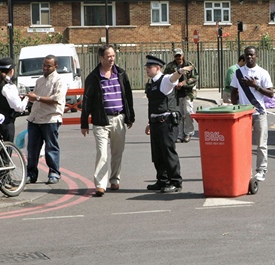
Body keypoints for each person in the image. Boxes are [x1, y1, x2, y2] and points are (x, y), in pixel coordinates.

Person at [81, 45, 135, 197]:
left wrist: (130, 117)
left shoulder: (121, 74)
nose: (112, 59)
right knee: (102, 153)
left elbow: (128, 97)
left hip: (119, 118)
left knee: (117, 152)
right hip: (101, 120)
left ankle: (114, 179)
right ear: (101, 58)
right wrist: (84, 123)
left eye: (113, 56)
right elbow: (86, 101)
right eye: (108, 56)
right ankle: (100, 184)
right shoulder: (93, 77)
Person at [143, 55, 192, 193]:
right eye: (146, 67)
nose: (146, 69)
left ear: (157, 68)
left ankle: (175, 182)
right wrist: (149, 122)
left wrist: (180, 71)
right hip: (155, 122)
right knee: (157, 154)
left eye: (149, 67)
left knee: (168, 153)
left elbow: (173, 78)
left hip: (166, 123)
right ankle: (162, 180)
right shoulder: (152, 82)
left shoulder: (164, 80)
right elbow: (153, 105)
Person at [230, 46, 274, 182]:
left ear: (256, 56)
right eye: (247, 55)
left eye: (252, 55)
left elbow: (271, 93)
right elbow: (233, 91)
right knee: (243, 144)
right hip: (244, 114)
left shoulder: (262, 73)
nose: (249, 57)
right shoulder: (238, 73)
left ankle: (261, 170)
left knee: (261, 143)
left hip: (259, 112)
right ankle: (244, 169)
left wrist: (255, 86)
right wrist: (235, 106)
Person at [25, 54, 67, 185]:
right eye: (44, 65)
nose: (45, 68)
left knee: (51, 148)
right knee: (32, 149)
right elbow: (35, 97)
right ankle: (31, 174)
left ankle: (54, 173)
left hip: (50, 119)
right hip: (35, 119)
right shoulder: (39, 81)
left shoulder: (59, 81)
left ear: (56, 66)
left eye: (48, 66)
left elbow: (55, 99)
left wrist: (36, 97)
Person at [0, 57, 29, 142]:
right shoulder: (8, 86)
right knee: (7, 150)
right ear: (11, 71)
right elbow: (18, 107)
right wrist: (26, 99)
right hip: (6, 122)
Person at [163, 48, 198, 143]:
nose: (178, 57)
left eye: (179, 55)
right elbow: (166, 79)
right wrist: (174, 85)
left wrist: (183, 83)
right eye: (176, 56)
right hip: (175, 94)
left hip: (187, 93)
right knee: (178, 115)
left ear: (183, 55)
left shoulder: (189, 65)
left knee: (187, 112)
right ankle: (179, 135)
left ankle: (188, 133)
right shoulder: (170, 66)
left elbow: (195, 78)